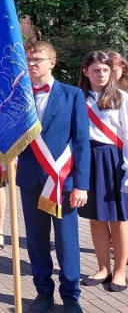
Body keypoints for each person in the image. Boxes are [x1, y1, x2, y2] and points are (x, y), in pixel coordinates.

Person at [17, 41, 90, 313]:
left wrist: (81, 185)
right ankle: (43, 292)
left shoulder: (72, 95)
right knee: (36, 241)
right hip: (30, 179)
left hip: (63, 181)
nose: (32, 63)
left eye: (38, 59)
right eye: (29, 58)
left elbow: (81, 142)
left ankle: (71, 295)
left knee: (67, 241)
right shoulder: (19, 94)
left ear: (52, 62)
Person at [77, 51, 128, 292]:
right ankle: (102, 267)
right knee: (97, 217)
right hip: (89, 160)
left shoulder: (122, 98)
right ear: (86, 71)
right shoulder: (78, 99)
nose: (101, 74)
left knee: (118, 219)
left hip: (114, 160)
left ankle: (119, 271)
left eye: (105, 70)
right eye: (96, 70)